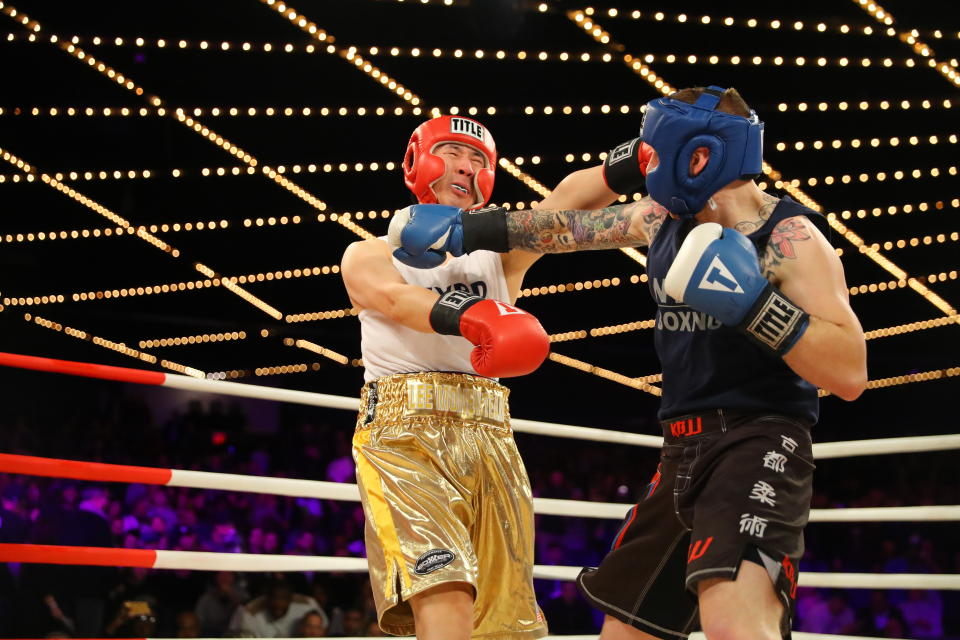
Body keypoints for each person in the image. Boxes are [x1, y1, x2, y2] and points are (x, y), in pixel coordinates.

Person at [389, 86, 868, 640]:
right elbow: (561, 228)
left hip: (759, 440)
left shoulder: (790, 238)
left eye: (658, 155)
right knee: (626, 633)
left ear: (699, 157)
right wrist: (461, 231)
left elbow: (850, 372)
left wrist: (754, 305)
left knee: (735, 622)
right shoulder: (659, 218)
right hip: (681, 448)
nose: (650, 166)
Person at [340, 115, 618, 639]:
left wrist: (635, 160)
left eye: (480, 160)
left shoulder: (500, 253)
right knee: (444, 592)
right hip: (404, 435)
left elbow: (563, 205)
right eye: (451, 152)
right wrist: (474, 316)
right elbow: (399, 301)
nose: (466, 167)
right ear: (416, 162)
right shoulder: (367, 252)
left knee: (505, 618)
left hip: (491, 433)